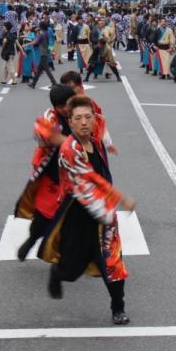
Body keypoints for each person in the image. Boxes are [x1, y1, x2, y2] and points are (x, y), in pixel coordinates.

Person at [39, 94, 136, 326]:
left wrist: (111, 204)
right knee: (73, 268)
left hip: (103, 215)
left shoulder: (97, 143)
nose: (84, 122)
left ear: (94, 120)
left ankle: (118, 308)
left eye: (88, 117)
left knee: (112, 263)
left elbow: (102, 175)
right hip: (77, 215)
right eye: (78, 118)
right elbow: (88, 179)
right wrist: (120, 197)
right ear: (70, 122)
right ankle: (58, 272)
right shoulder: (69, 149)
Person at [15, 84, 74, 261]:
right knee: (43, 216)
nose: (65, 109)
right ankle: (33, 240)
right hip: (52, 174)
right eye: (61, 106)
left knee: (73, 218)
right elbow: (45, 134)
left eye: (68, 104)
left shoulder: (80, 113)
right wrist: (71, 143)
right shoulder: (50, 117)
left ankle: (65, 253)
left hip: (74, 175)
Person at [0, 21, 19, 86]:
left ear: (6, 27)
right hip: (12, 53)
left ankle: (14, 81)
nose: (3, 27)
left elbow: (5, 41)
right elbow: (17, 43)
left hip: (7, 53)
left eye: (4, 26)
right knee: (6, 67)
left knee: (10, 67)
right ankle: (4, 80)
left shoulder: (5, 34)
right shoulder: (13, 34)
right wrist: (22, 51)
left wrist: (2, 47)